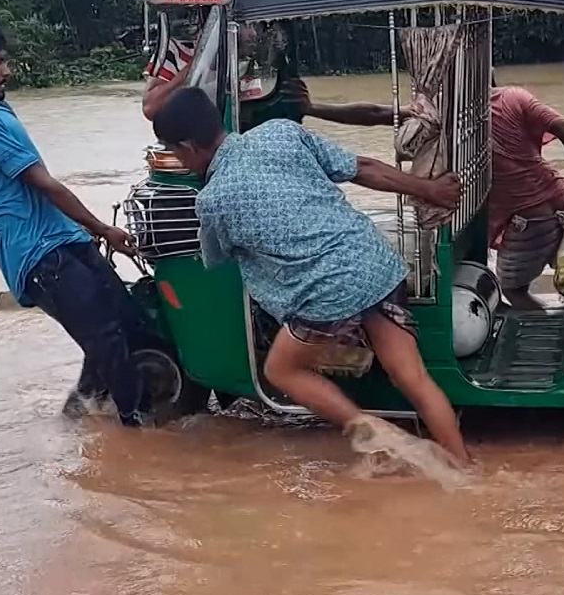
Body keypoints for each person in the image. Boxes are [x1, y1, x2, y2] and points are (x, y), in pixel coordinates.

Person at [151, 86, 473, 466]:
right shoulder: (280, 132)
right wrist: (431, 190)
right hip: (373, 262)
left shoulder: (213, 200)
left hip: (327, 294)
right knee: (413, 378)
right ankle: (464, 468)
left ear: (187, 147)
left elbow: (216, 258)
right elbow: (364, 169)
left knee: (280, 369)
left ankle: (368, 430)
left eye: (173, 150)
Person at [0, 20, 156, 428]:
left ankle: (82, 413)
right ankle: (138, 431)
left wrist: (86, 231)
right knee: (106, 337)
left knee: (126, 320)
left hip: (61, 237)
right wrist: (103, 228)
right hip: (39, 255)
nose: (7, 70)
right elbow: (44, 183)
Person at [291, 78, 564, 310]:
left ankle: (552, 333)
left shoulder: (444, 117)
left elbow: (379, 114)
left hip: (529, 222)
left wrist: (313, 109)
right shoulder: (515, 97)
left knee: (513, 291)